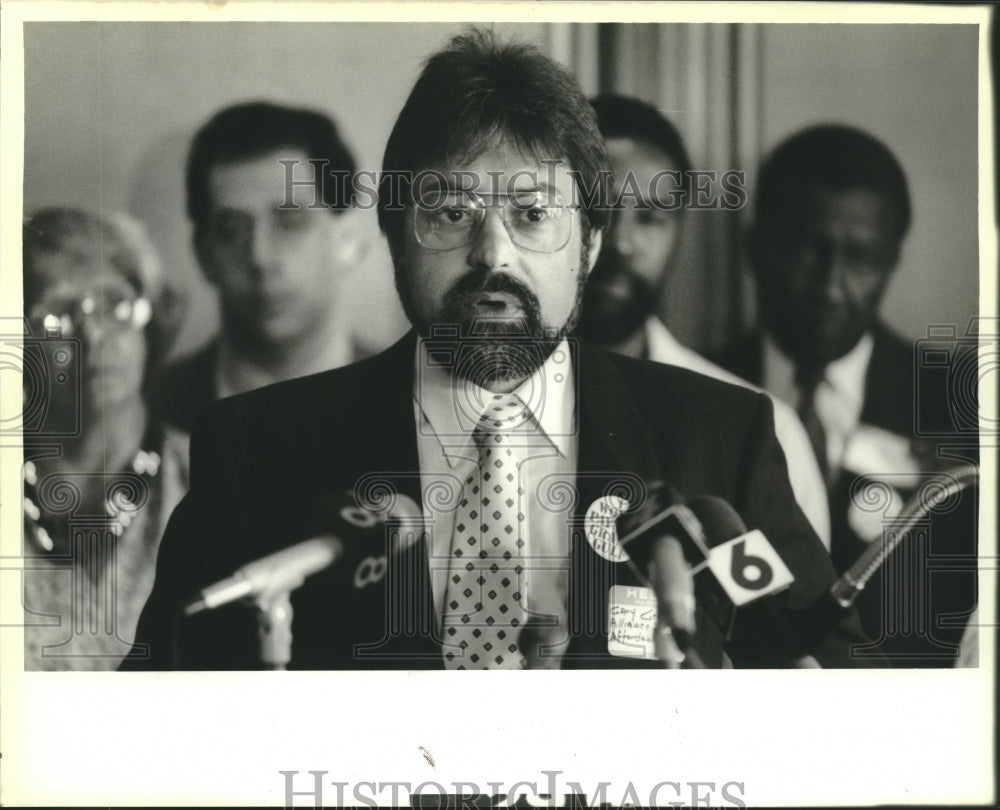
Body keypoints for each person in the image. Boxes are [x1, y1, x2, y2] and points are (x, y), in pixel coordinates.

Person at [125, 29, 876, 671]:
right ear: (391, 234)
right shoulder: (257, 451)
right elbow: (158, 713)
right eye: (450, 211)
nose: (494, 256)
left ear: (589, 243)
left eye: (532, 214)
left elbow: (837, 686)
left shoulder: (719, 439)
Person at [714, 125, 978, 665]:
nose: (830, 286)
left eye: (861, 258)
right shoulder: (697, 391)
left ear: (892, 262)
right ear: (755, 248)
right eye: (807, 250)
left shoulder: (961, 406)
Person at [576, 94, 831, 549]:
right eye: (598, 211)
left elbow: (792, 617)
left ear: (679, 230)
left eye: (650, 218)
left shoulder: (761, 429)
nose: (622, 243)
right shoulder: (478, 408)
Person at [21, 207, 189, 670]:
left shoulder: (211, 477)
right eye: (56, 317)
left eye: (114, 305)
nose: (94, 338)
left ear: (149, 325)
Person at [158, 101, 365, 432]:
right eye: (233, 231)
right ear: (203, 254)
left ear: (347, 240)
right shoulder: (146, 412)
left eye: (290, 221)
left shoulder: (419, 402)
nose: (261, 258)